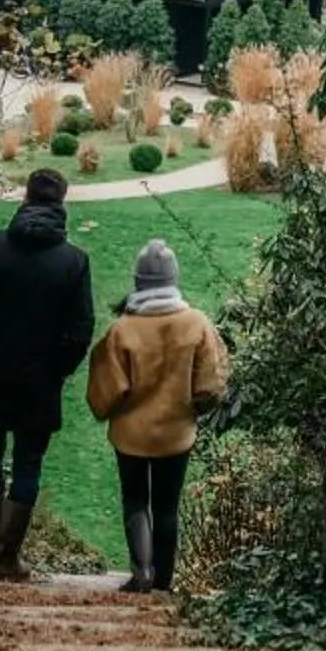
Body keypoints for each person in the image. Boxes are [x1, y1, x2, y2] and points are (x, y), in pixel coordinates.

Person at [0, 168, 93, 580]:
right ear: (61, 203)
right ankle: (7, 557)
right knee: (28, 462)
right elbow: (81, 330)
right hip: (40, 381)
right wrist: (58, 369)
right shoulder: (73, 262)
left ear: (26, 199)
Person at [85, 239, 228, 594]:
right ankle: (164, 581)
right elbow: (211, 384)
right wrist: (194, 409)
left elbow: (105, 390)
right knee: (167, 505)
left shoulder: (122, 329)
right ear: (173, 279)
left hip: (130, 434)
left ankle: (141, 573)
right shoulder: (196, 323)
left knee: (135, 499)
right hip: (176, 433)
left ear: (139, 281)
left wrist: (111, 409)